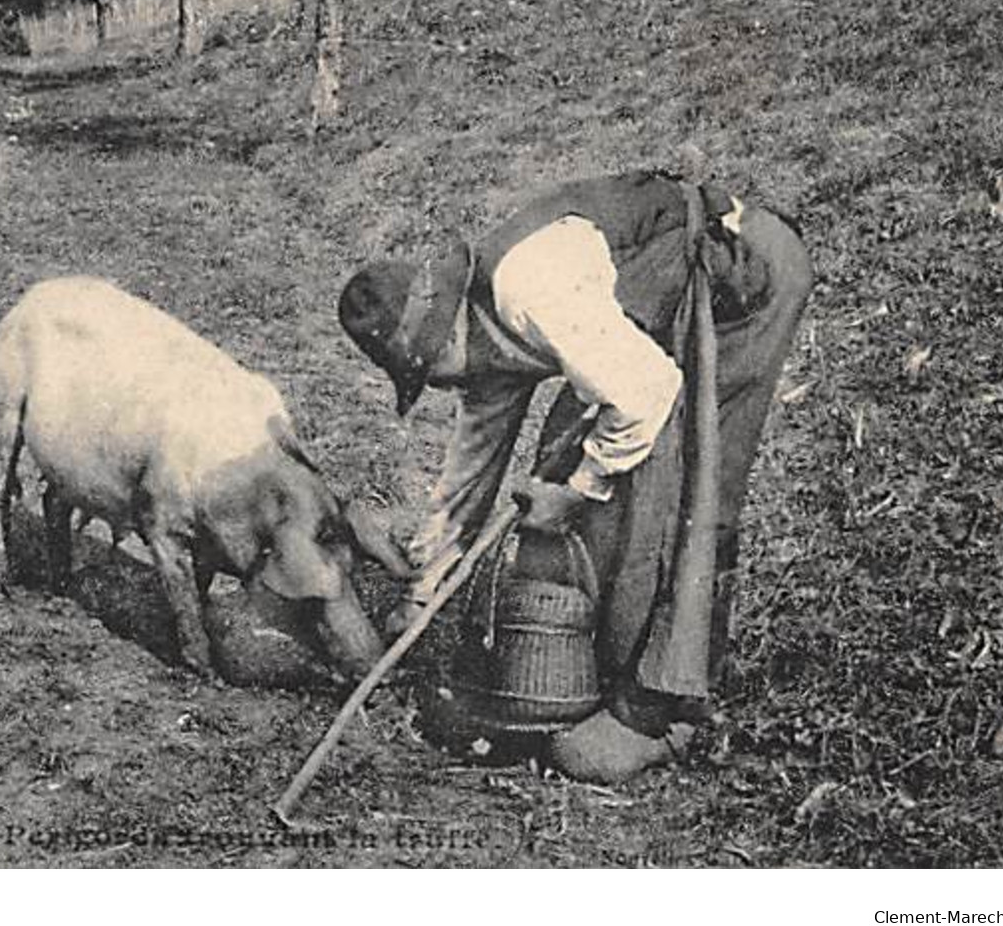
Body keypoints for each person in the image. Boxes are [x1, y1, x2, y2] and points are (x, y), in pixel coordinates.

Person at [338, 169, 812, 782]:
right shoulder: (479, 335)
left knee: (687, 482)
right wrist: (425, 591)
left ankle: (662, 707)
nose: (444, 388)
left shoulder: (532, 293)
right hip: (652, 323)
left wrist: (578, 490)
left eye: (429, 373)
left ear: (446, 335)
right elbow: (470, 472)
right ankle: (598, 662)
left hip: (740, 282)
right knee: (580, 454)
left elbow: (645, 393)